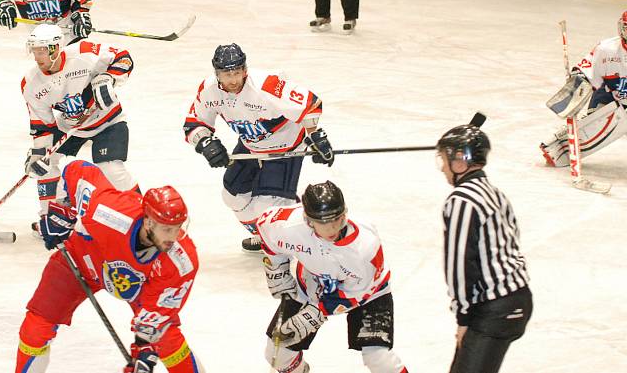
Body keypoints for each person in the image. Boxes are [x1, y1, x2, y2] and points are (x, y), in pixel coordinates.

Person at [15, 160, 204, 373]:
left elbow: (155, 316)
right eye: (167, 229)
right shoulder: (108, 212)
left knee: (168, 340)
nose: (173, 237)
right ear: (149, 222)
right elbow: (77, 169)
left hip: (140, 285)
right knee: (35, 328)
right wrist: (62, 210)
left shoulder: (181, 262)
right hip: (82, 259)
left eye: (177, 228)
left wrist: (143, 357)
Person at [183, 43, 334, 253]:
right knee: (232, 196)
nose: (233, 80)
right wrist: (205, 143)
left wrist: (316, 137)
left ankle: (295, 238)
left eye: (237, 72)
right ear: (217, 74)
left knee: (269, 208)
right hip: (249, 146)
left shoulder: (267, 86)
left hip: (284, 147)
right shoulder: (209, 91)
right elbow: (195, 122)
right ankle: (263, 235)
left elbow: (309, 103)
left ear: (245, 70)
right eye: (226, 75)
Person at [255, 181, 408, 373]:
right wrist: (277, 269)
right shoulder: (287, 225)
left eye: (337, 219)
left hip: (370, 292)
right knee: (277, 356)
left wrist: (315, 313)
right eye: (322, 222)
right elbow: (265, 230)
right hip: (311, 284)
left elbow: (356, 293)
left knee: (379, 359)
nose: (331, 230)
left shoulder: (365, 247)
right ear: (308, 220)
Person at [22, 23, 136, 235]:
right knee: (45, 163)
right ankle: (52, 219)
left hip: (108, 121)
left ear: (56, 48)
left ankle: (141, 215)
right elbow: (42, 128)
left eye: (43, 51)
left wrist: (107, 77)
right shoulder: (31, 84)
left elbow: (124, 57)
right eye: (35, 51)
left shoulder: (84, 52)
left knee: (111, 169)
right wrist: (39, 154)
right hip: (71, 126)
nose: (38, 57)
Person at [436, 124, 532, 373]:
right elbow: (512, 238)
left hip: (494, 311)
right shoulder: (496, 194)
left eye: (444, 159)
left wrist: (463, 318)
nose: (443, 167)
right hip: (517, 300)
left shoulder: (461, 200)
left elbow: (459, 265)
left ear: (460, 161)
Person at [540, 11, 627, 166]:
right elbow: (585, 75)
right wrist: (576, 87)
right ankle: (562, 147)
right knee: (592, 126)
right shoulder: (606, 50)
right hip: (609, 98)